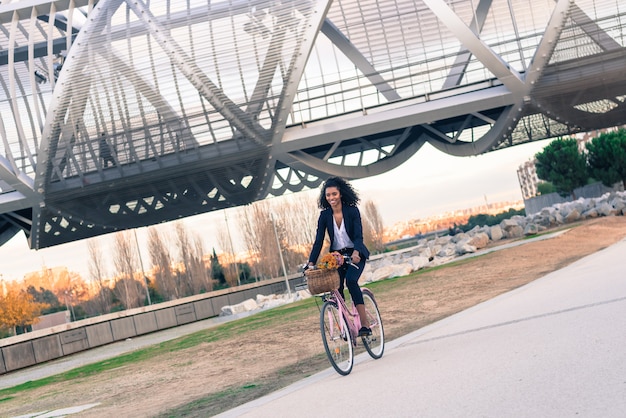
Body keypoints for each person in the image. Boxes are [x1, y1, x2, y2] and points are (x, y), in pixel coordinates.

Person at [307, 177, 372, 336]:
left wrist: (356, 253)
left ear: (340, 194)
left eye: (334, 194)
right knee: (336, 288)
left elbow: (358, 236)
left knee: (351, 281)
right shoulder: (324, 216)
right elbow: (319, 241)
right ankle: (346, 326)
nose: (331, 198)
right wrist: (310, 263)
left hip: (355, 254)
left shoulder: (352, 210)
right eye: (328, 195)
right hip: (337, 256)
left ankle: (365, 325)